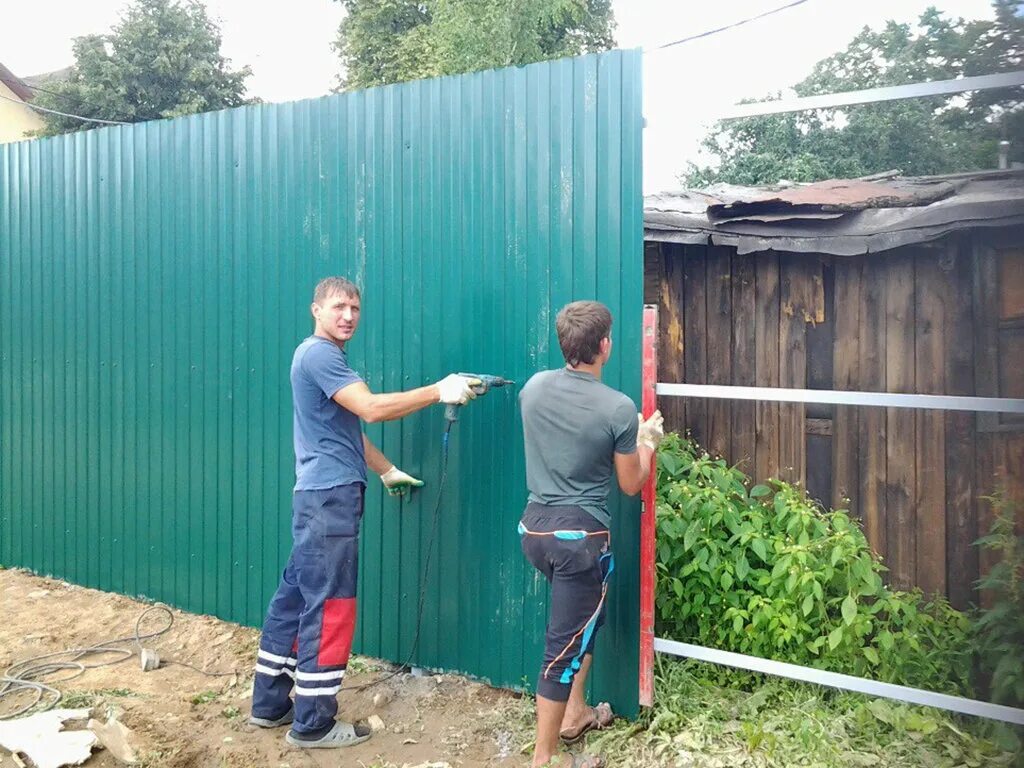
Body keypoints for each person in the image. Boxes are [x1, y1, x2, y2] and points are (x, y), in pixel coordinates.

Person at [248, 276, 479, 749]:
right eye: (339, 306)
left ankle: (269, 703)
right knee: (330, 606)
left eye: (354, 307)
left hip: (316, 498)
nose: (349, 315)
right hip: (330, 500)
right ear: (316, 309)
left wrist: (387, 470)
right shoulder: (321, 355)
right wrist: (439, 390)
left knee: (294, 599)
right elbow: (371, 409)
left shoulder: (318, 358)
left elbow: (346, 430)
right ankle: (313, 724)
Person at [518, 300, 663, 768]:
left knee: (584, 622)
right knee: (561, 650)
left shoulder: (534, 388)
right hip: (580, 542)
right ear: (604, 345)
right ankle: (545, 758)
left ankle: (575, 712)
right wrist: (647, 442)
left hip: (535, 531)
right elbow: (631, 483)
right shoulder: (617, 407)